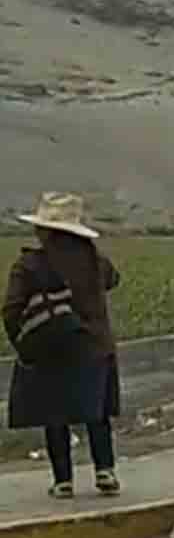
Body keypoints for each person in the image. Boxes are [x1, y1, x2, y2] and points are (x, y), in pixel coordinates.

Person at [3, 192, 122, 499]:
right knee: (96, 411)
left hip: (52, 348)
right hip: (95, 346)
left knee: (55, 414)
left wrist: (24, 341)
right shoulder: (95, 261)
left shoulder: (30, 264)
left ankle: (63, 480)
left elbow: (11, 309)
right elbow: (113, 279)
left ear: (43, 230)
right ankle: (105, 469)